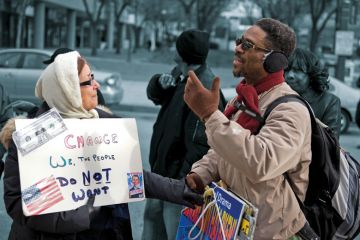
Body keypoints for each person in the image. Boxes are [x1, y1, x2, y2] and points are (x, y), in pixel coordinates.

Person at [2, 51, 203, 240]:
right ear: (68, 88)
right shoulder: (32, 139)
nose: (96, 84)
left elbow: (131, 176)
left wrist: (180, 191)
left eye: (93, 77)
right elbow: (17, 201)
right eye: (88, 80)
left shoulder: (106, 126)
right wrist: (78, 215)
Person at [183, 18, 318, 239]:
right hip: (233, 226)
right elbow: (223, 151)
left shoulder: (290, 110)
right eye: (239, 41)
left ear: (274, 60)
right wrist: (199, 175)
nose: (237, 48)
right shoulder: (242, 98)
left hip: (272, 232)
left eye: (247, 45)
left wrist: (209, 115)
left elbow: (261, 162)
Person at [142, 29, 227, 240]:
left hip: (178, 184)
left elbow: (202, 144)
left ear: (181, 53)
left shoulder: (203, 87)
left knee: (175, 233)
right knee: (152, 226)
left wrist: (184, 181)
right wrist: (158, 84)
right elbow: (155, 96)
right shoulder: (179, 74)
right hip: (161, 174)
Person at [285, 48, 341, 138]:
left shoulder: (329, 102)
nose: (290, 75)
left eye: (297, 70)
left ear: (311, 75)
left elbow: (331, 143)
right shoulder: (278, 97)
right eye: (287, 70)